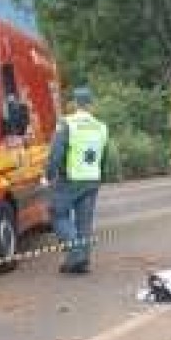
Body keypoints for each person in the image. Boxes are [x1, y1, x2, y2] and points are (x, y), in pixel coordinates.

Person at [45, 86, 109, 274]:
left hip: (70, 179)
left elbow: (56, 153)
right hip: (92, 179)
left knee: (58, 215)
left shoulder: (67, 123)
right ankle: (81, 263)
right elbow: (104, 156)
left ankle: (76, 254)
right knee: (84, 222)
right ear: (90, 104)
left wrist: (49, 174)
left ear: (73, 103)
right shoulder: (101, 126)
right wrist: (100, 177)